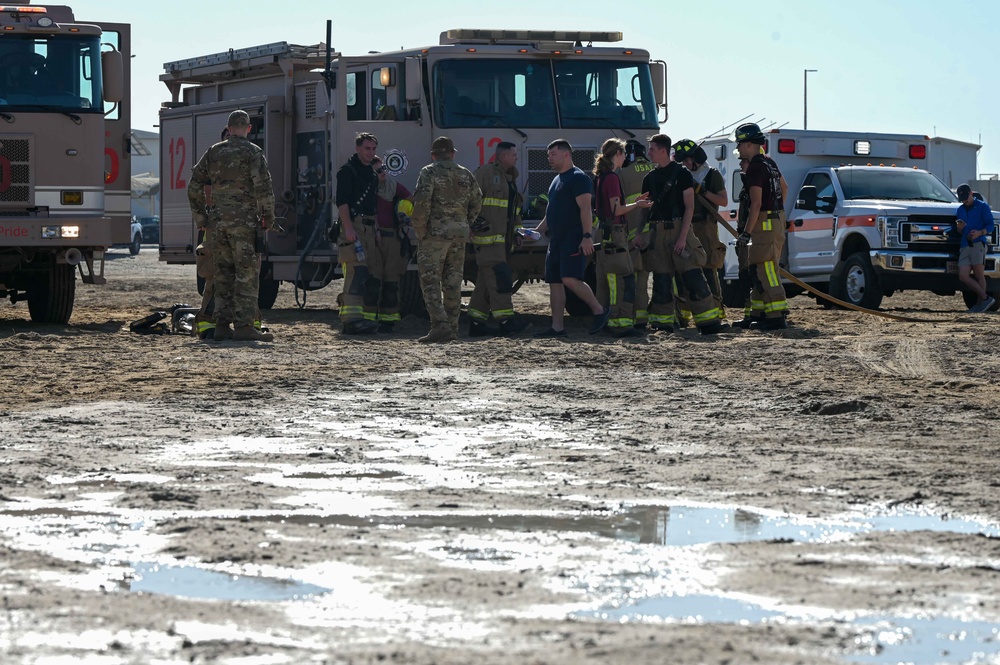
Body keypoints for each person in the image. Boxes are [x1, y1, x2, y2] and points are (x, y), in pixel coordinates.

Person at [187, 109, 276, 342]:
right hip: (244, 223)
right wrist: (268, 217)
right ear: (248, 128)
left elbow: (194, 185)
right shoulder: (253, 152)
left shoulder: (213, 152)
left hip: (217, 224)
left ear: (228, 128)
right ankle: (245, 326)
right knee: (246, 274)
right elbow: (264, 188)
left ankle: (222, 326)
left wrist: (201, 218)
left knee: (222, 274)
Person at [640, 134, 725, 335]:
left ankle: (709, 322)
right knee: (661, 281)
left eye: (652, 149)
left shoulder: (682, 175)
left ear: (663, 150)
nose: (649, 153)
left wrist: (682, 237)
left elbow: (689, 207)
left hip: (680, 230)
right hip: (657, 232)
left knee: (694, 277)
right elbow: (645, 210)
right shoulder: (648, 178)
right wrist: (640, 234)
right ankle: (663, 323)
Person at [533, 139, 611, 338]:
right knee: (555, 282)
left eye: (553, 154)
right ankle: (557, 327)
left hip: (573, 237)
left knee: (569, 278)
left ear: (566, 154)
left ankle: (599, 311)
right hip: (556, 240)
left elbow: (586, 209)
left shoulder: (579, 178)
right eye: (548, 155)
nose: (549, 158)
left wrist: (586, 236)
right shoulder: (556, 180)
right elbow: (551, 213)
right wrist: (537, 232)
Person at [411, 136, 483, 343]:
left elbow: (422, 202)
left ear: (433, 155)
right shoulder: (465, 173)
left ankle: (440, 325)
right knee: (453, 282)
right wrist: (465, 222)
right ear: (452, 154)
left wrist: (420, 230)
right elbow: (477, 201)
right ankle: (452, 328)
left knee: (430, 280)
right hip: (458, 234)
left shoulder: (429, 172)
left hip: (434, 234)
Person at [592, 138, 652, 337]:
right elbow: (616, 208)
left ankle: (606, 320)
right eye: (623, 153)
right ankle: (620, 324)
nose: (626, 157)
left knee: (605, 280)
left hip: (604, 233)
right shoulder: (612, 178)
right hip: (615, 234)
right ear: (617, 154)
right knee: (622, 278)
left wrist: (634, 201)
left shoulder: (602, 177)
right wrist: (638, 205)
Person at [469, 142, 530, 337]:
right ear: (503, 157)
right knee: (500, 277)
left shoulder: (510, 179)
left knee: (485, 282)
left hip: (502, 242)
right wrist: (470, 223)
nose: (516, 158)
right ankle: (505, 320)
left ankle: (476, 323)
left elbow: (514, 211)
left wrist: (518, 233)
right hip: (487, 240)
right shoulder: (486, 174)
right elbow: (467, 199)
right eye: (513, 155)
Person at [733, 123, 789, 330]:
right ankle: (757, 314)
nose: (738, 149)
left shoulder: (755, 168)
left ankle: (775, 317)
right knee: (759, 269)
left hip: (764, 223)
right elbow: (784, 188)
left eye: (740, 144)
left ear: (748, 144)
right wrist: (777, 212)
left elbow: (755, 204)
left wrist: (746, 232)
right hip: (775, 220)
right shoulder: (769, 162)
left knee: (766, 269)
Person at [672, 139, 729, 313]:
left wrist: (702, 191)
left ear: (697, 156)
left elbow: (723, 201)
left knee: (709, 266)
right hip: (685, 226)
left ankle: (716, 308)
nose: (687, 164)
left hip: (705, 225)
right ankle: (684, 311)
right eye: (684, 161)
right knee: (684, 267)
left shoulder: (712, 175)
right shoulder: (682, 175)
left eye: (689, 159)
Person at [335, 132, 381, 335]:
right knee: (356, 272)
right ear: (357, 148)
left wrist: (376, 229)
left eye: (373, 149)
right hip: (354, 226)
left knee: (368, 273)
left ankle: (361, 317)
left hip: (369, 227)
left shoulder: (371, 173)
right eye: (367, 148)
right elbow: (342, 202)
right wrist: (349, 229)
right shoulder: (347, 171)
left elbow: (373, 205)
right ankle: (351, 320)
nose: (370, 153)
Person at [367, 155, 414, 331]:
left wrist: (408, 215)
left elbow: (412, 199)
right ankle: (368, 319)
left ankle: (388, 320)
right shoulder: (364, 189)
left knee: (392, 280)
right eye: (378, 171)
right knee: (373, 279)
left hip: (392, 238)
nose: (383, 173)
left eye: (383, 169)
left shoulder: (393, 186)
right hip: (371, 238)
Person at [619, 139, 655, 329]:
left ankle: (639, 318)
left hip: (635, 236)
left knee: (638, 280)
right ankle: (674, 315)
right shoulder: (657, 167)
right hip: (658, 235)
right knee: (666, 276)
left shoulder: (623, 174)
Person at [954, 183, 996, 312]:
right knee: (963, 275)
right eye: (962, 199)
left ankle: (980, 305)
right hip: (965, 244)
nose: (965, 201)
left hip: (978, 244)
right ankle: (985, 298)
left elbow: (991, 225)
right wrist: (960, 228)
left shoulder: (982, 207)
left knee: (979, 274)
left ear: (971, 193)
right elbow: (960, 232)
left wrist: (979, 232)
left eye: (966, 197)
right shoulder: (960, 209)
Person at [732, 157, 757, 328]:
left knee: (752, 275)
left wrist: (747, 234)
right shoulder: (746, 184)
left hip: (751, 237)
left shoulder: (755, 185)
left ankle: (755, 313)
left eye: (744, 162)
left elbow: (755, 208)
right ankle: (749, 313)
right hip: (743, 235)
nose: (740, 164)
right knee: (744, 276)